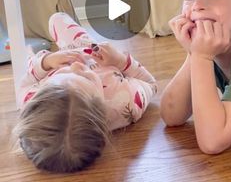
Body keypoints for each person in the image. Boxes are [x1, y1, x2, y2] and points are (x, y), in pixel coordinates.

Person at [13, 12, 157, 173]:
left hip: (62, 55)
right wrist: (120, 61)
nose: (76, 66)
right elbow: (150, 84)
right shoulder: (125, 103)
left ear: (40, 94)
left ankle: (39, 56)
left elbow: (25, 83)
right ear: (102, 108)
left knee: (56, 19)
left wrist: (46, 63)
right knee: (57, 19)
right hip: (90, 49)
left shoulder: (31, 102)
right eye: (87, 78)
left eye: (63, 75)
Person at [160, 0, 231, 155]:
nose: (198, 5)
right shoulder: (215, 47)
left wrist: (201, 57)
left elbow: (213, 141)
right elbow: (171, 115)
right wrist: (194, 55)